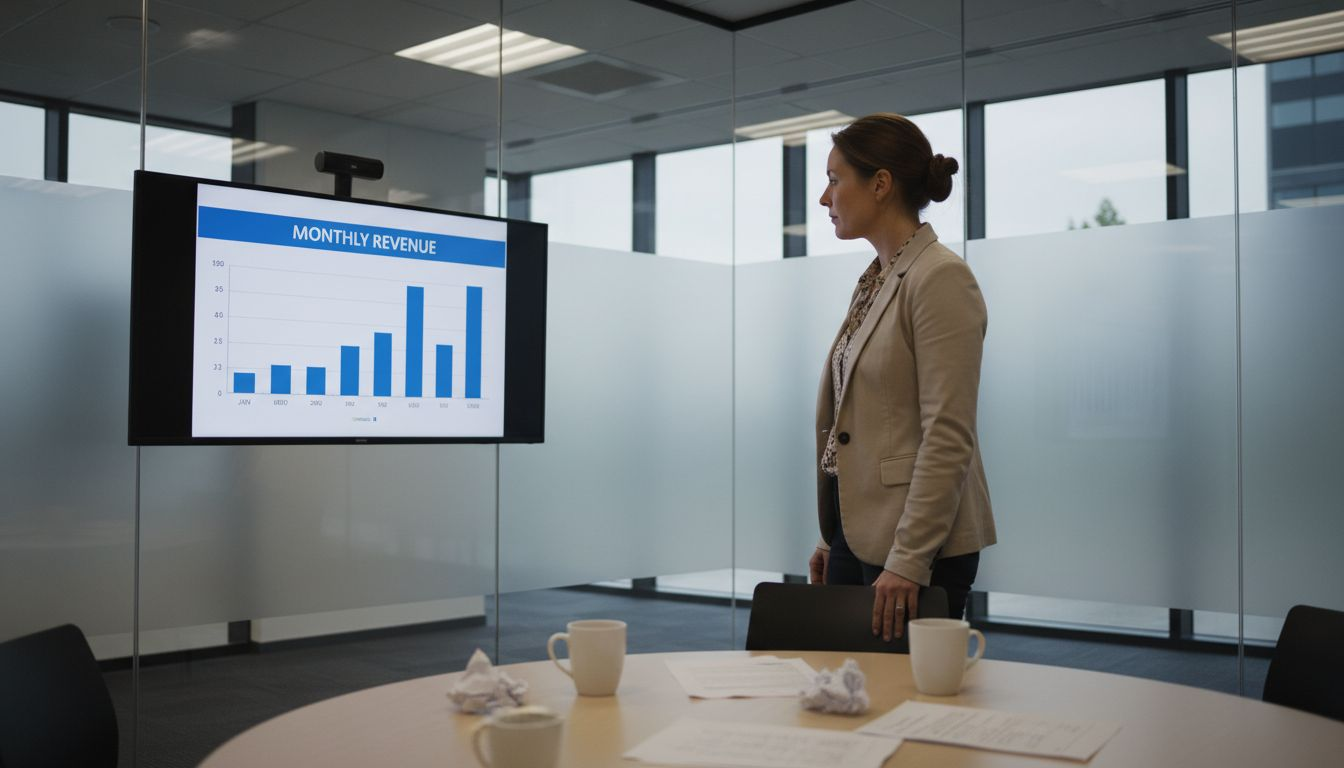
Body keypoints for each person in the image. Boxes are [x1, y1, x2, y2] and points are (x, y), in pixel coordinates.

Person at [807, 113, 996, 643]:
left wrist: (910, 558)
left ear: (881, 184)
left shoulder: (940, 277)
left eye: (835, 179)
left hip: (915, 546)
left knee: (901, 690)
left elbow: (948, 433)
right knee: (846, 685)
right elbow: (862, 423)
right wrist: (833, 536)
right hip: (861, 533)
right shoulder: (875, 281)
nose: (824, 198)